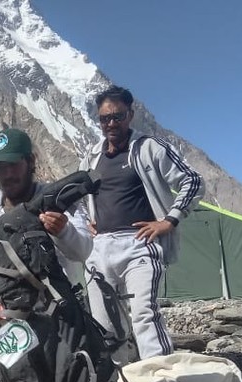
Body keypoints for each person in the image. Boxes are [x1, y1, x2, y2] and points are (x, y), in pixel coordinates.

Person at [0, 126, 94, 382]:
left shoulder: (61, 200)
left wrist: (64, 231)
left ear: (30, 161)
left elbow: (84, 251)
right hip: (8, 322)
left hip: (62, 318)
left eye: (13, 164)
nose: (7, 174)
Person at [79, 85, 204, 360]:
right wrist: (86, 221)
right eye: (104, 118)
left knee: (144, 315)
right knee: (104, 325)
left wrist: (169, 220)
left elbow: (193, 181)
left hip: (139, 244)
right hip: (98, 248)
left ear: (130, 115)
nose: (111, 123)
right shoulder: (90, 157)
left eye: (117, 116)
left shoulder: (150, 148)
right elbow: (77, 195)